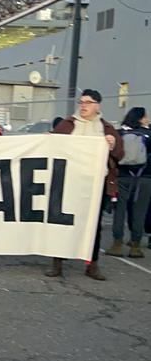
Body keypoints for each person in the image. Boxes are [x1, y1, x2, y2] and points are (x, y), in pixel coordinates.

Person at [45, 89, 123, 280]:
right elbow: (50, 145)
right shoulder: (68, 124)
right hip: (69, 182)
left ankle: (92, 264)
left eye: (88, 102)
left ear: (97, 105)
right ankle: (58, 262)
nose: (83, 106)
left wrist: (112, 145)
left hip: (97, 184)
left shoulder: (106, 128)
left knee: (93, 226)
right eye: (81, 102)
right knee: (63, 222)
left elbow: (120, 154)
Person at [108, 107, 150, 258]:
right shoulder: (148, 134)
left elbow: (113, 154)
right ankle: (135, 246)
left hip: (122, 177)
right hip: (144, 179)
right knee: (139, 213)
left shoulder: (119, 134)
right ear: (140, 118)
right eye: (145, 116)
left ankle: (117, 244)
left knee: (119, 211)